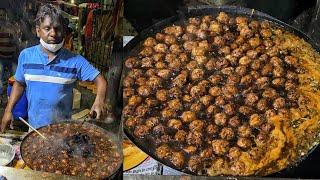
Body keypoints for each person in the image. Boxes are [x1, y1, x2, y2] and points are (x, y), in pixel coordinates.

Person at [0, 4, 107, 132]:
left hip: (62, 132)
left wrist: (99, 101)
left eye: (58, 28)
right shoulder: (26, 56)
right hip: (34, 130)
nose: (53, 33)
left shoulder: (75, 61)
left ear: (64, 31)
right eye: (47, 28)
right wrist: (8, 110)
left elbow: (100, 80)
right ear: (38, 30)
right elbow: (19, 84)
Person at [0, 8, 18, 96]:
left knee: (15, 79)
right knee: (0, 79)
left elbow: (16, 42)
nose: (2, 17)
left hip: (11, 58)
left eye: (3, 15)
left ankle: (12, 95)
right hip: (1, 58)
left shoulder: (12, 27)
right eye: (0, 15)